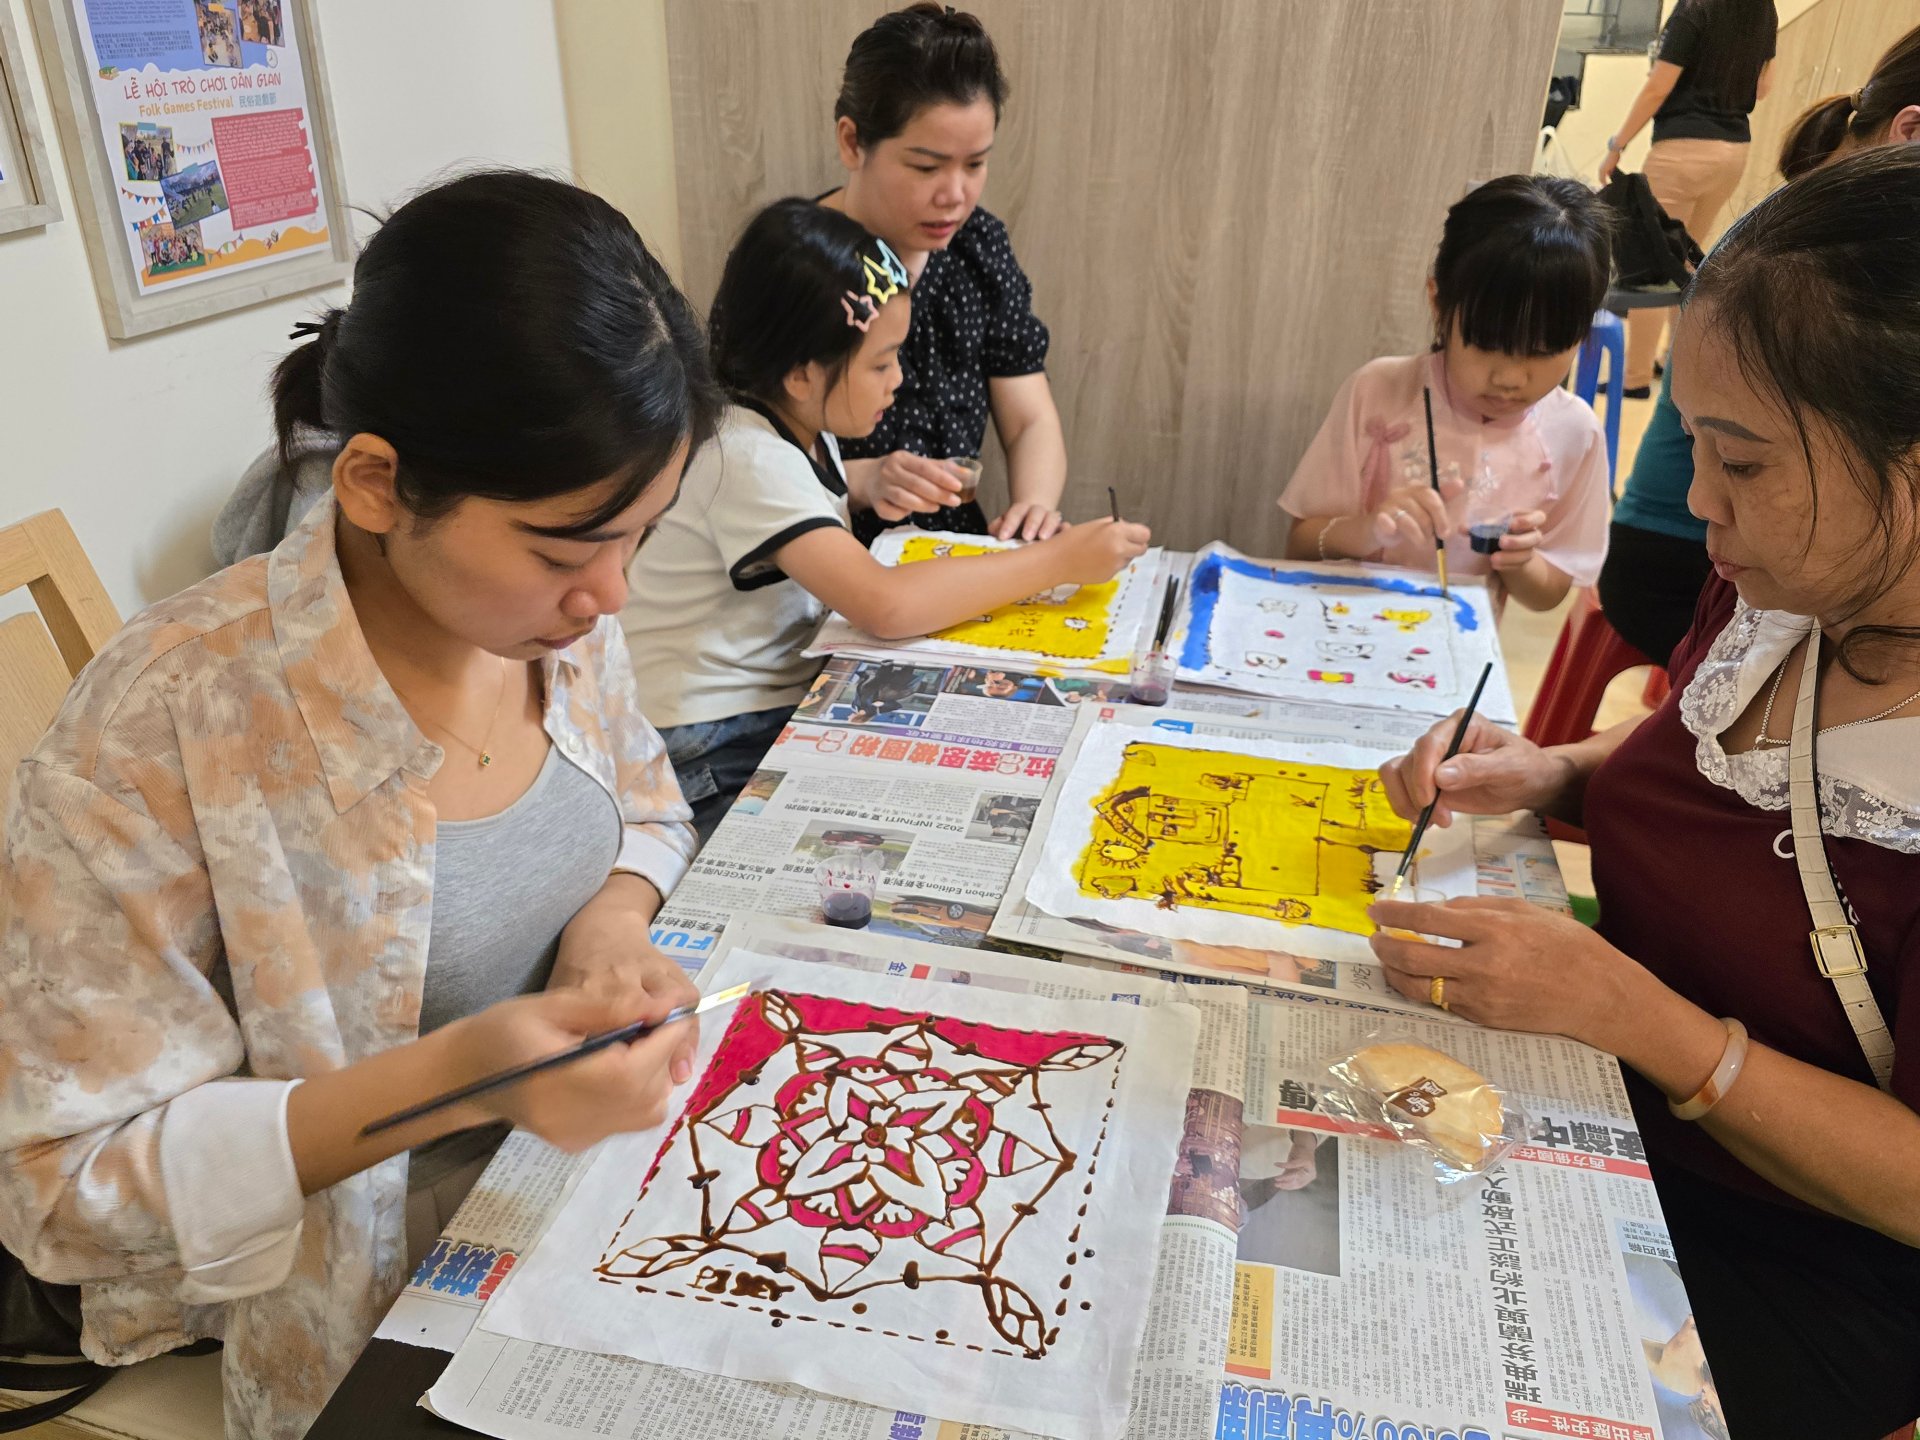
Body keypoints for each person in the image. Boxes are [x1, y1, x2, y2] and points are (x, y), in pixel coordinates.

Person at [0, 171, 721, 1440]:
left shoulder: (551, 623)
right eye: (566, 550)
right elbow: (61, 1186)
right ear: (379, 483)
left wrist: (610, 927)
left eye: (643, 539)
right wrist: (459, 1084)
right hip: (335, 1294)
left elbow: (648, 806)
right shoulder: (171, 721)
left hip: (560, 1196)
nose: (609, 598)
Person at [1371, 147, 1920, 1438]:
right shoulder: (1793, 587)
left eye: (1744, 462)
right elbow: (1723, 762)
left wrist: (1653, 1025)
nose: (1691, 502)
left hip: (1790, 1252)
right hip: (1608, 1107)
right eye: (1692, 441)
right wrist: (1551, 770)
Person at [623, 198, 1147, 839]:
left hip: (763, 702)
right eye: (880, 363)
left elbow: (791, 504)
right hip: (709, 741)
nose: (897, 380)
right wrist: (1057, 561)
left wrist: (869, 481)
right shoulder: (747, 454)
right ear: (800, 374)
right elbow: (885, 606)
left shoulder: (788, 425)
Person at [1599, 22, 1920, 667]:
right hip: (1675, 564)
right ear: (1910, 133)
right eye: (1715, 450)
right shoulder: (1796, 271)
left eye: (1740, 460)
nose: (1702, 490)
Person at [1279, 175, 1613, 614]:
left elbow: (1548, 595)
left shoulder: (1575, 433)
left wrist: (1521, 562)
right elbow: (1300, 543)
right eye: (1487, 344)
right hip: (1343, 632)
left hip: (1456, 659)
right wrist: (1366, 532)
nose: (1510, 378)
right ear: (1439, 305)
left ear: (1582, 334)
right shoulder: (1378, 390)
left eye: (1543, 351)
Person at [822, 3, 1068, 544]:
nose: (955, 195)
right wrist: (863, 479)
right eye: (926, 167)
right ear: (852, 141)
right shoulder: (796, 262)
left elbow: (1029, 418)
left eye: (975, 164)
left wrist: (1033, 508)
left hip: (953, 551)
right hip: (826, 560)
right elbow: (744, 455)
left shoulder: (978, 246)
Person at [1599, 0, 1778, 395]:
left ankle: (1634, 380)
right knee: (1687, 259)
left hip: (1681, 151)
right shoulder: (1763, 10)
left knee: (1652, 264)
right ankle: (1675, 365)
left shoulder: (1694, 9)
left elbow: (1658, 86)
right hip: (1733, 152)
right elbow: (1763, 88)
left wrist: (1617, 144)